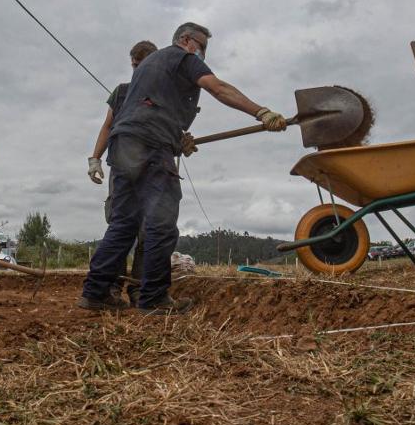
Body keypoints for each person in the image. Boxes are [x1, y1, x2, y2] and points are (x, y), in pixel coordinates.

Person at [78, 22, 287, 315]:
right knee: (161, 224)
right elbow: (218, 88)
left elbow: (147, 109)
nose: (202, 53)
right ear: (186, 40)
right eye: (200, 46)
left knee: (124, 223)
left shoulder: (148, 68)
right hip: (151, 146)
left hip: (125, 146)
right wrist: (260, 111)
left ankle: (95, 292)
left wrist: (177, 140)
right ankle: (152, 298)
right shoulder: (181, 58)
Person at [87, 40, 157, 306]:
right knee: (121, 226)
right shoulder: (122, 92)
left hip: (154, 170)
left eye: (143, 66)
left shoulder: (165, 95)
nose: (138, 71)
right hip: (123, 168)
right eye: (135, 66)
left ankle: (139, 288)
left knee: (148, 229)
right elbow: (107, 126)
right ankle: (111, 287)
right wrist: (95, 158)